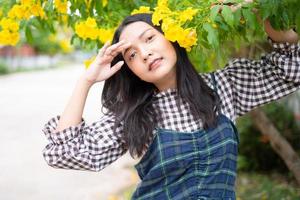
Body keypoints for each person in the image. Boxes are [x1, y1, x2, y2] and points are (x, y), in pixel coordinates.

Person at [42, 13, 299, 199]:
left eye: (150, 38)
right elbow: (64, 153)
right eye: (131, 55)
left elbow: (292, 67)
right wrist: (86, 81)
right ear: (131, 71)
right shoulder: (133, 116)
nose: (144, 53)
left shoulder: (226, 86)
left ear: (171, 37)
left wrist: (260, 9)